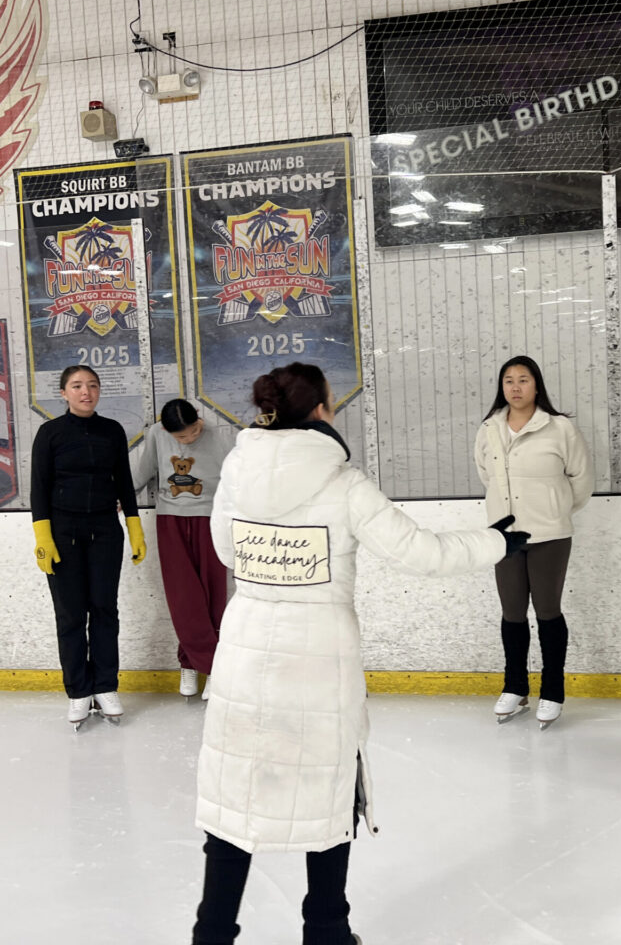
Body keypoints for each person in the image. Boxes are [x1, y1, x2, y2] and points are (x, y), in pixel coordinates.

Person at [193, 362, 528, 945]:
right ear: (321, 409)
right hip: (318, 662)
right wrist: (497, 541)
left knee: (235, 798)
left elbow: (226, 549)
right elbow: (420, 553)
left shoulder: (237, 470)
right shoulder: (343, 483)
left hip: (245, 655)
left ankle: (212, 933)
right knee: (328, 797)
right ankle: (326, 930)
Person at [474, 355, 594, 727]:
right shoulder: (489, 429)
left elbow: (581, 480)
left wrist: (553, 511)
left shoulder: (558, 428)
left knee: (547, 611)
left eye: (523, 380)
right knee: (512, 612)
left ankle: (553, 690)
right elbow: (486, 475)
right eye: (508, 380)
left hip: (550, 535)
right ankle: (515, 686)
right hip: (505, 536)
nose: (515, 387)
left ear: (536, 385)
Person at [30, 364, 146, 726]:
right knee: (70, 614)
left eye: (92, 386)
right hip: (63, 533)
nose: (86, 392)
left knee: (104, 609)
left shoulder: (112, 431)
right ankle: (79, 691)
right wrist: (43, 537)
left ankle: (105, 686)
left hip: (104, 532)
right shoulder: (50, 433)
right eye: (77, 386)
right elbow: (38, 487)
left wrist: (134, 525)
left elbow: (125, 482)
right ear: (63, 393)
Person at [133, 398, 233, 700]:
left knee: (213, 594)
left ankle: (210, 667)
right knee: (183, 597)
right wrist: (121, 498)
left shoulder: (222, 436)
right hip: (171, 519)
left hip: (210, 519)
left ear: (199, 419)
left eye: (193, 432)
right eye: (181, 437)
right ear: (166, 430)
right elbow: (143, 471)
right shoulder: (156, 435)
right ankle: (197, 664)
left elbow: (238, 479)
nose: (188, 440)